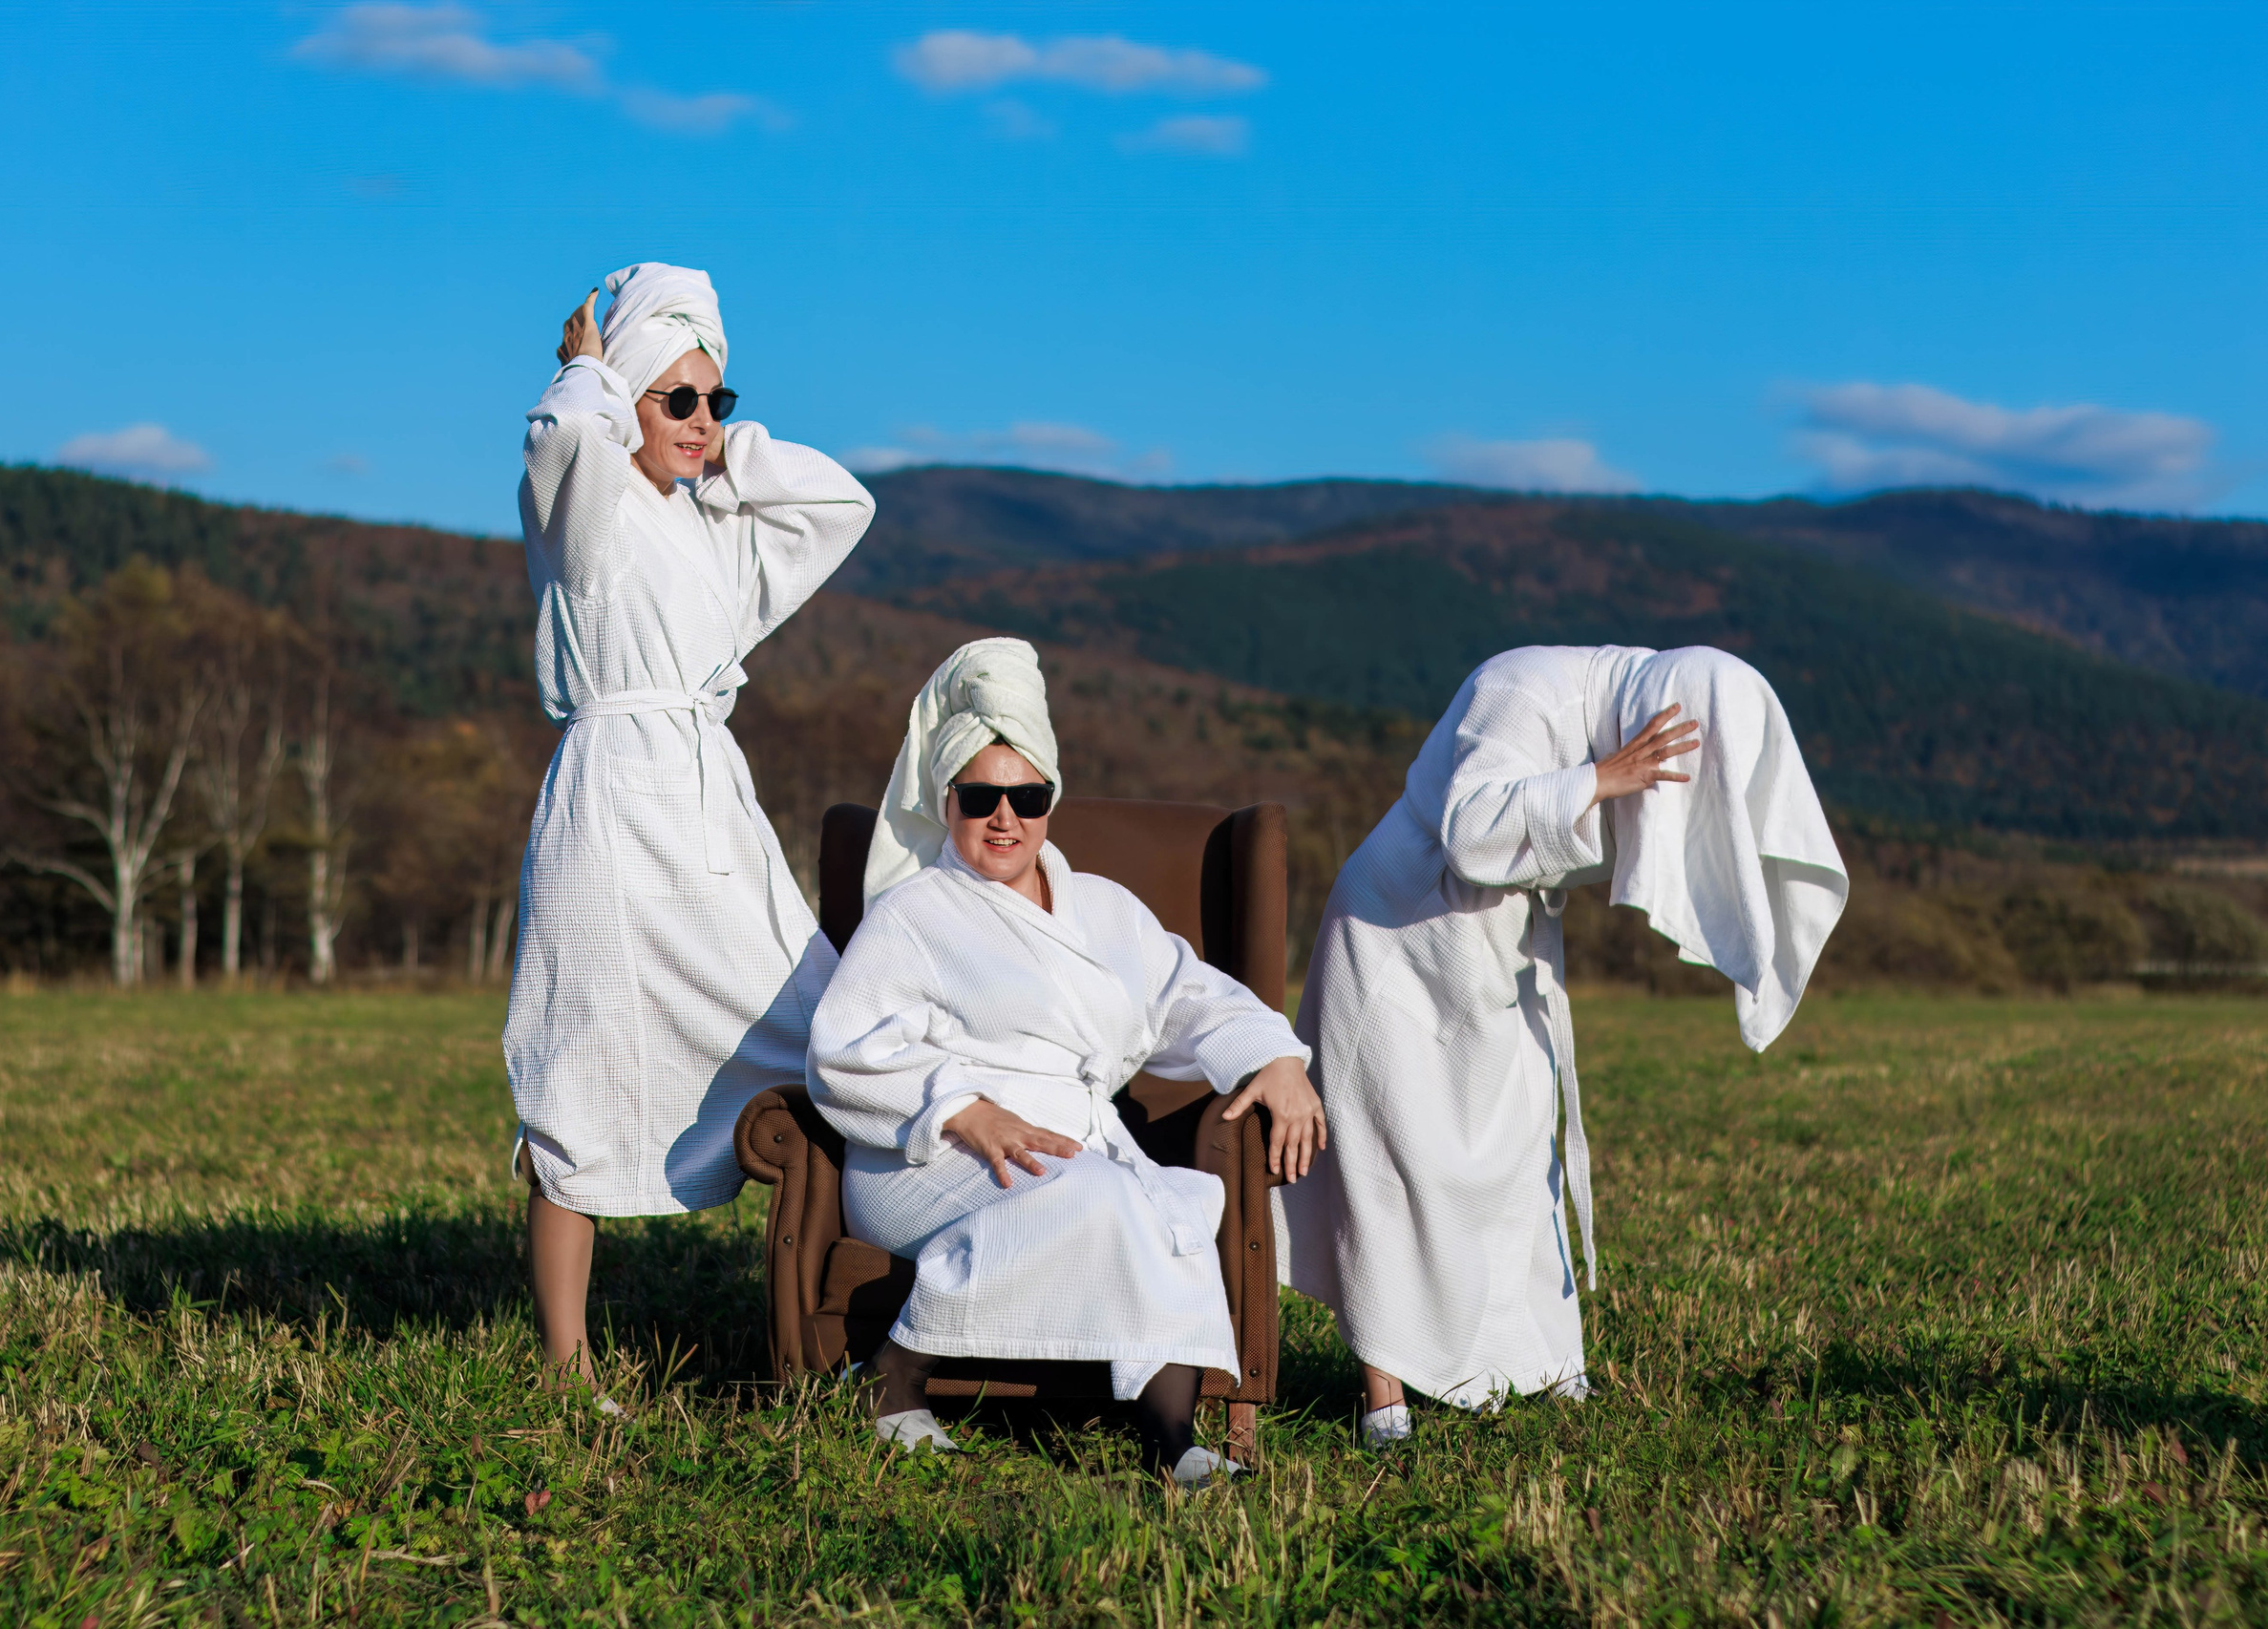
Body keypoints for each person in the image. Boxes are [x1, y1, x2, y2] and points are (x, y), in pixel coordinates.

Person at [1277, 644, 1847, 1445]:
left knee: (1514, 1152)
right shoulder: (1522, 688)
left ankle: (1534, 1362)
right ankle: (1386, 1394)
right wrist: (1601, 780)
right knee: (1399, 1162)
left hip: (1500, 947)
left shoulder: (1617, 709)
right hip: (1397, 938)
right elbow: (1471, 829)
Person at [808, 638, 1326, 1486]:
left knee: (1174, 1205)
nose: (1004, 817)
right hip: (926, 1155)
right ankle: (895, 1381)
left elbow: (1189, 995)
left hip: (1067, 1149)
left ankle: (1173, 1445)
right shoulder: (914, 913)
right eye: (981, 797)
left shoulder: (1104, 910)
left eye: (1027, 795)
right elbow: (844, 1050)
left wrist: (1272, 1054)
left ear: (1052, 799)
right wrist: (963, 1108)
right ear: (947, 802)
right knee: (1096, 1195)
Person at [505, 262, 875, 1401]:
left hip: (711, 804)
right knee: (579, 1063)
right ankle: (566, 1368)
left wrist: (723, 454)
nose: (704, 422)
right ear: (624, 398)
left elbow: (840, 503)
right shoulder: (585, 506)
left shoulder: (710, 526)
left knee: (832, 1032)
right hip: (611, 805)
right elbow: (562, 431)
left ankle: (867, 1322)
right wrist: (587, 372)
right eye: (680, 401)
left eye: (718, 398)